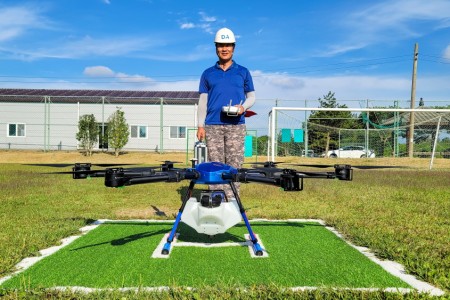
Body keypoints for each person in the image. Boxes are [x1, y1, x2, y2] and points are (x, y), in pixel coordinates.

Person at [196, 27, 256, 199]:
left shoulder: (243, 72)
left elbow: (252, 96)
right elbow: (203, 102)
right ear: (216, 47)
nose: (224, 49)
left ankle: (232, 202)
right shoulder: (207, 73)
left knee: (234, 165)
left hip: (236, 126)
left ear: (233, 47)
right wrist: (200, 125)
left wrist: (243, 107)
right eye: (221, 45)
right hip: (212, 126)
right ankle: (216, 200)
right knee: (215, 166)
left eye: (228, 45)